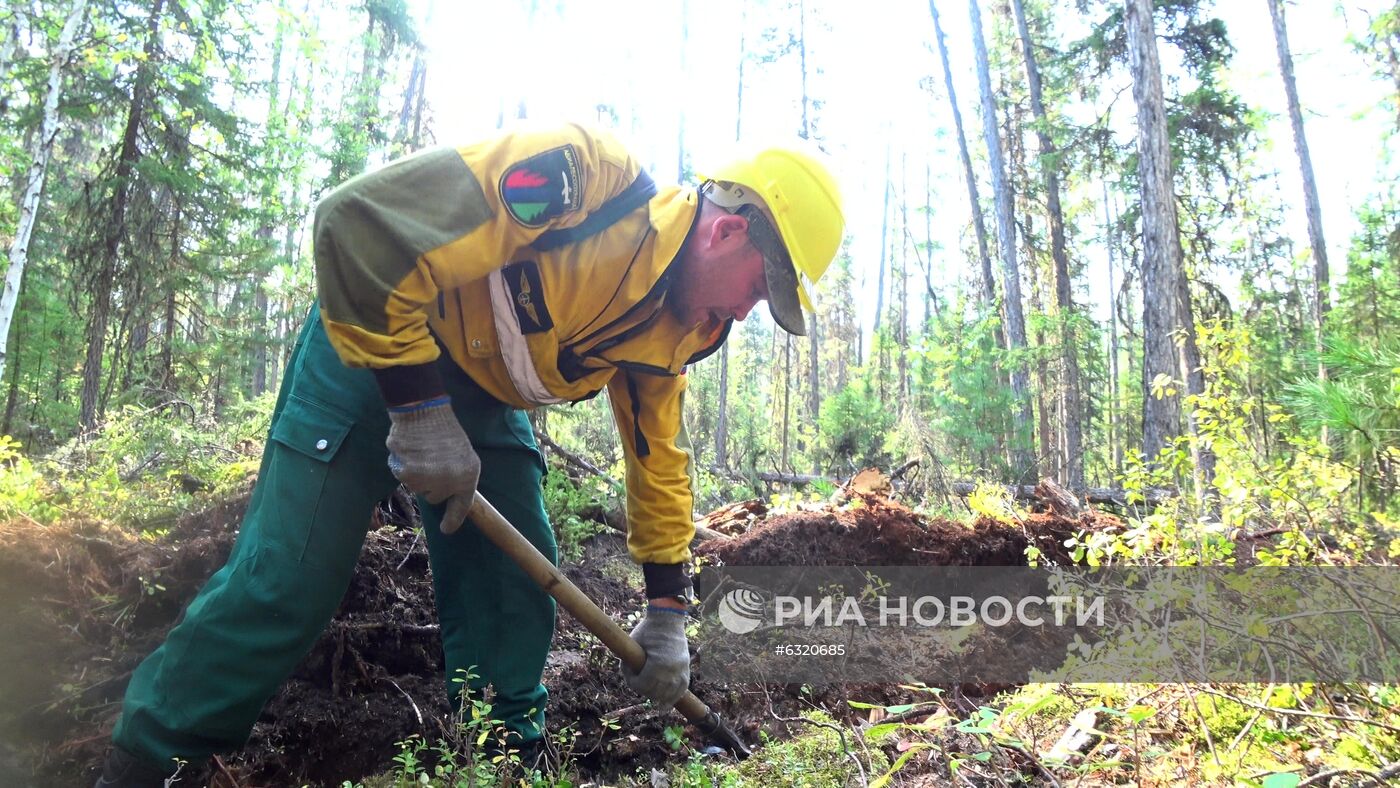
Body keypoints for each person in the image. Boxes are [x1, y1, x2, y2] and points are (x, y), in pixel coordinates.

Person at [94, 123, 845, 786]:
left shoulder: (684, 326)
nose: (749, 312)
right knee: (287, 581)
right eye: (760, 289)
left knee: (510, 598)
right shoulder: (584, 177)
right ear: (728, 233)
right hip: (372, 349)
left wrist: (667, 608)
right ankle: (149, 761)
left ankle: (501, 765)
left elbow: (658, 463)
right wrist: (419, 413)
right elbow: (359, 227)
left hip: (484, 398)